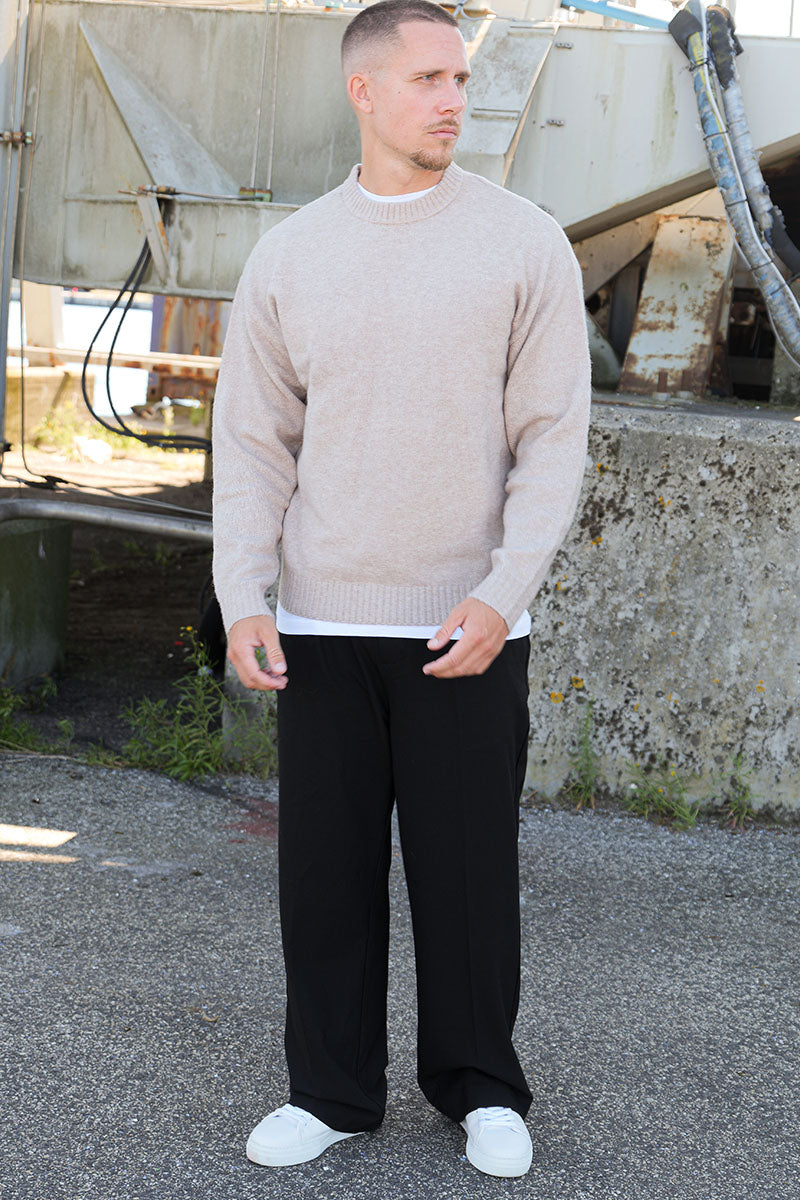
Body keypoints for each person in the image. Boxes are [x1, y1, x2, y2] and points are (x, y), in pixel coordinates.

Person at [211, 0, 590, 1179]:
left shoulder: (523, 242)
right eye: (427, 79)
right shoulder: (291, 255)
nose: (452, 100)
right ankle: (328, 1093)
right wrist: (243, 593)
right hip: (321, 621)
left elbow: (551, 438)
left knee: (466, 876)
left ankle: (480, 1090)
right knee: (324, 880)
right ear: (362, 92)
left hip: (466, 623)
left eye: (459, 80)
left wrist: (503, 591)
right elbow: (254, 441)